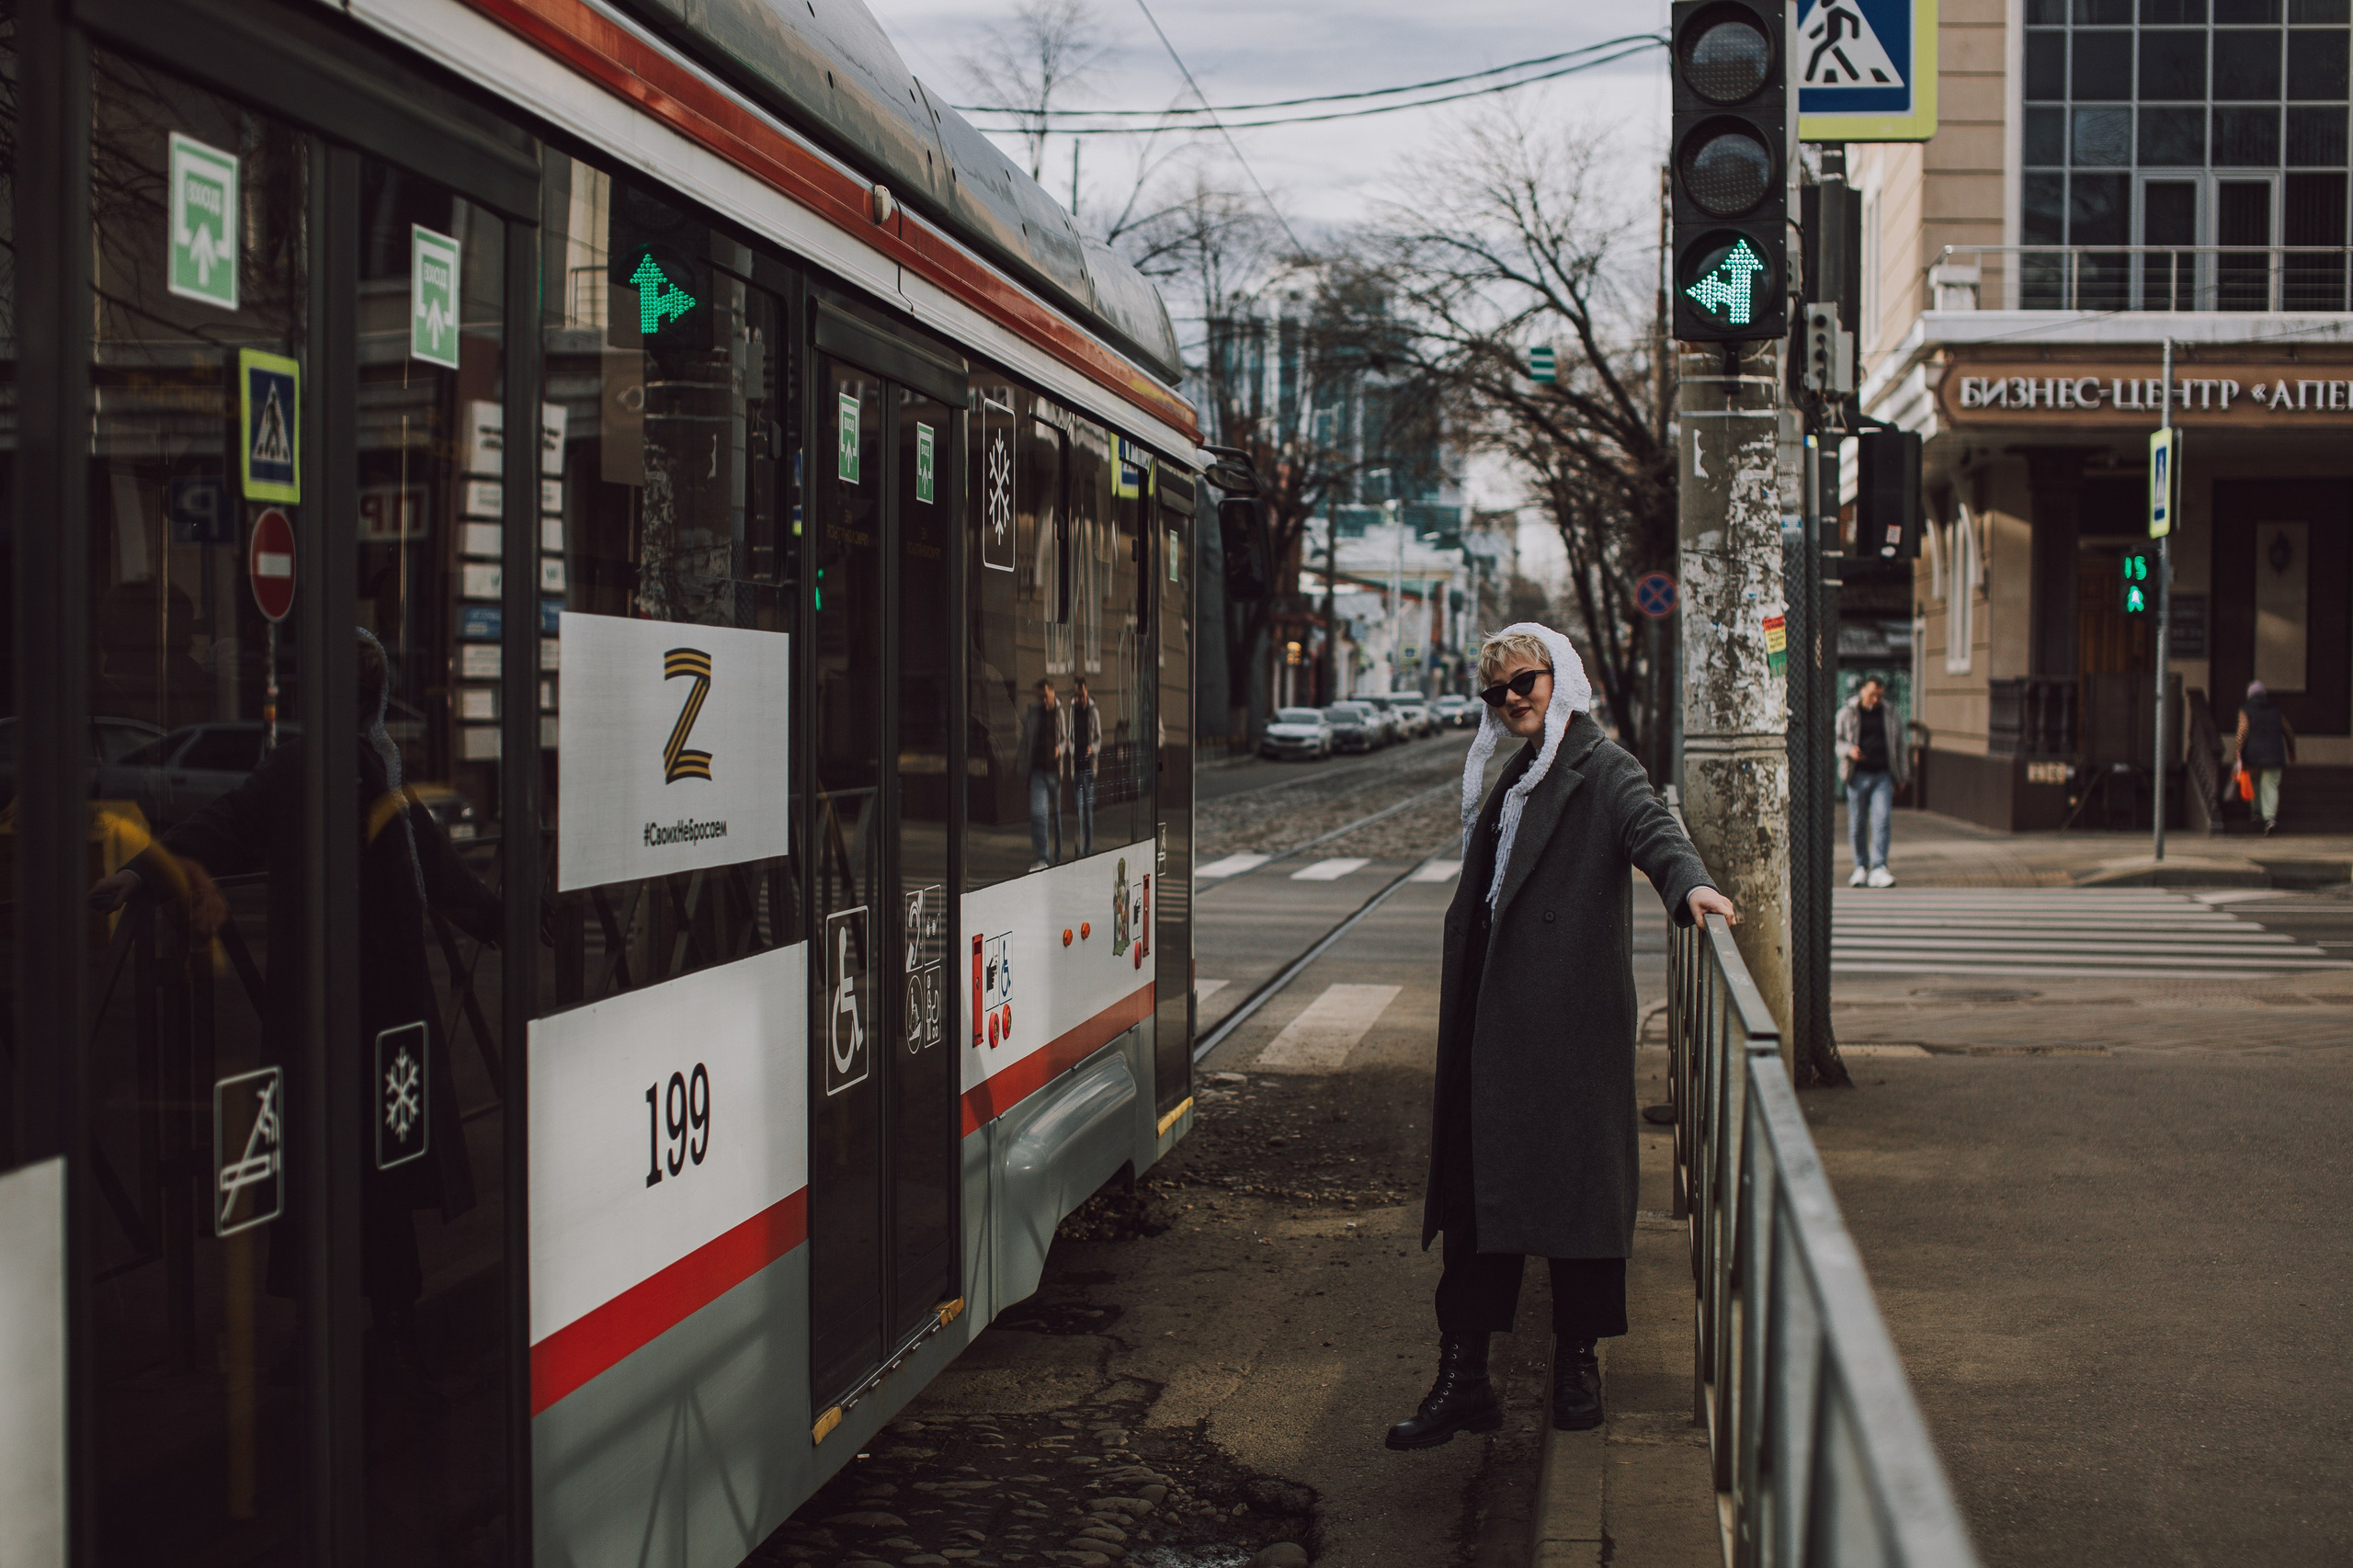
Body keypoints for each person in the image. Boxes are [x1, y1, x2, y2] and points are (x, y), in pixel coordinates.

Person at [88, 631, 502, 1388]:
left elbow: (227, 826)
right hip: (367, 1013)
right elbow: (428, 867)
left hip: (340, 1014)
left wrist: (143, 873)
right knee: (366, 1167)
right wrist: (143, 875)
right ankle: (381, 1319)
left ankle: (346, 1322)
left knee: (333, 1168)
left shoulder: (345, 769)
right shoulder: (347, 768)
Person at [1388, 624, 1736, 1450]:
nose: (1513, 699)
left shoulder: (1602, 767)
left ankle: (1578, 1367)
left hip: (1569, 1020)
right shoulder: (1515, 776)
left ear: (1562, 678)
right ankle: (1463, 1376)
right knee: (1478, 1196)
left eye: (1527, 682)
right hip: (1494, 1017)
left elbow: (1656, 832)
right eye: (1499, 692)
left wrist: (1693, 888)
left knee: (1580, 1195)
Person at [1836, 677, 1908, 888]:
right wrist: (1849, 751)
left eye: (1879, 695)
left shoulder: (1890, 712)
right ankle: (1860, 866)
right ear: (1863, 691)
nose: (1875, 699)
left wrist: (1902, 775)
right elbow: (1838, 741)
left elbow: (1900, 744)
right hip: (1857, 775)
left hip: (1882, 775)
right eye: (1872, 694)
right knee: (1857, 823)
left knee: (1882, 819)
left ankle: (1879, 866)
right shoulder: (1847, 712)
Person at [2234, 679, 2297, 835]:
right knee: (2271, 785)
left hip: (2253, 754)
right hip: (2275, 754)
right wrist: (2291, 750)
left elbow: (2243, 731)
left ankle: (2256, 812)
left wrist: (2238, 751)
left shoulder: (2245, 709)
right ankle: (2270, 818)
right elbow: (2288, 730)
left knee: (2255, 782)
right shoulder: (2276, 709)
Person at [1019, 677, 1069, 870]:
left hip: (1054, 772)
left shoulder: (1059, 713)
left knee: (1056, 817)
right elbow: (1025, 742)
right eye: (1040, 697)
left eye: (1045, 696)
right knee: (1038, 815)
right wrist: (1025, 771)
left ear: (1051, 692)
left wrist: (1059, 748)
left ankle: (1057, 857)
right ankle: (1043, 858)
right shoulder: (1034, 712)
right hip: (1038, 771)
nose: (1043, 700)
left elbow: (1065, 739)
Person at [1071, 675, 1102, 858]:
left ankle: (1087, 850)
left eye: (1081, 695)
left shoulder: (1093, 712)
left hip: (1089, 769)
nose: (1079, 699)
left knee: (1088, 814)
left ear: (1086, 692)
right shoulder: (1072, 712)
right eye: (1077, 695)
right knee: (1079, 813)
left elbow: (1099, 738)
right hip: (1077, 768)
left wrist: (1093, 748)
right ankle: (1081, 850)